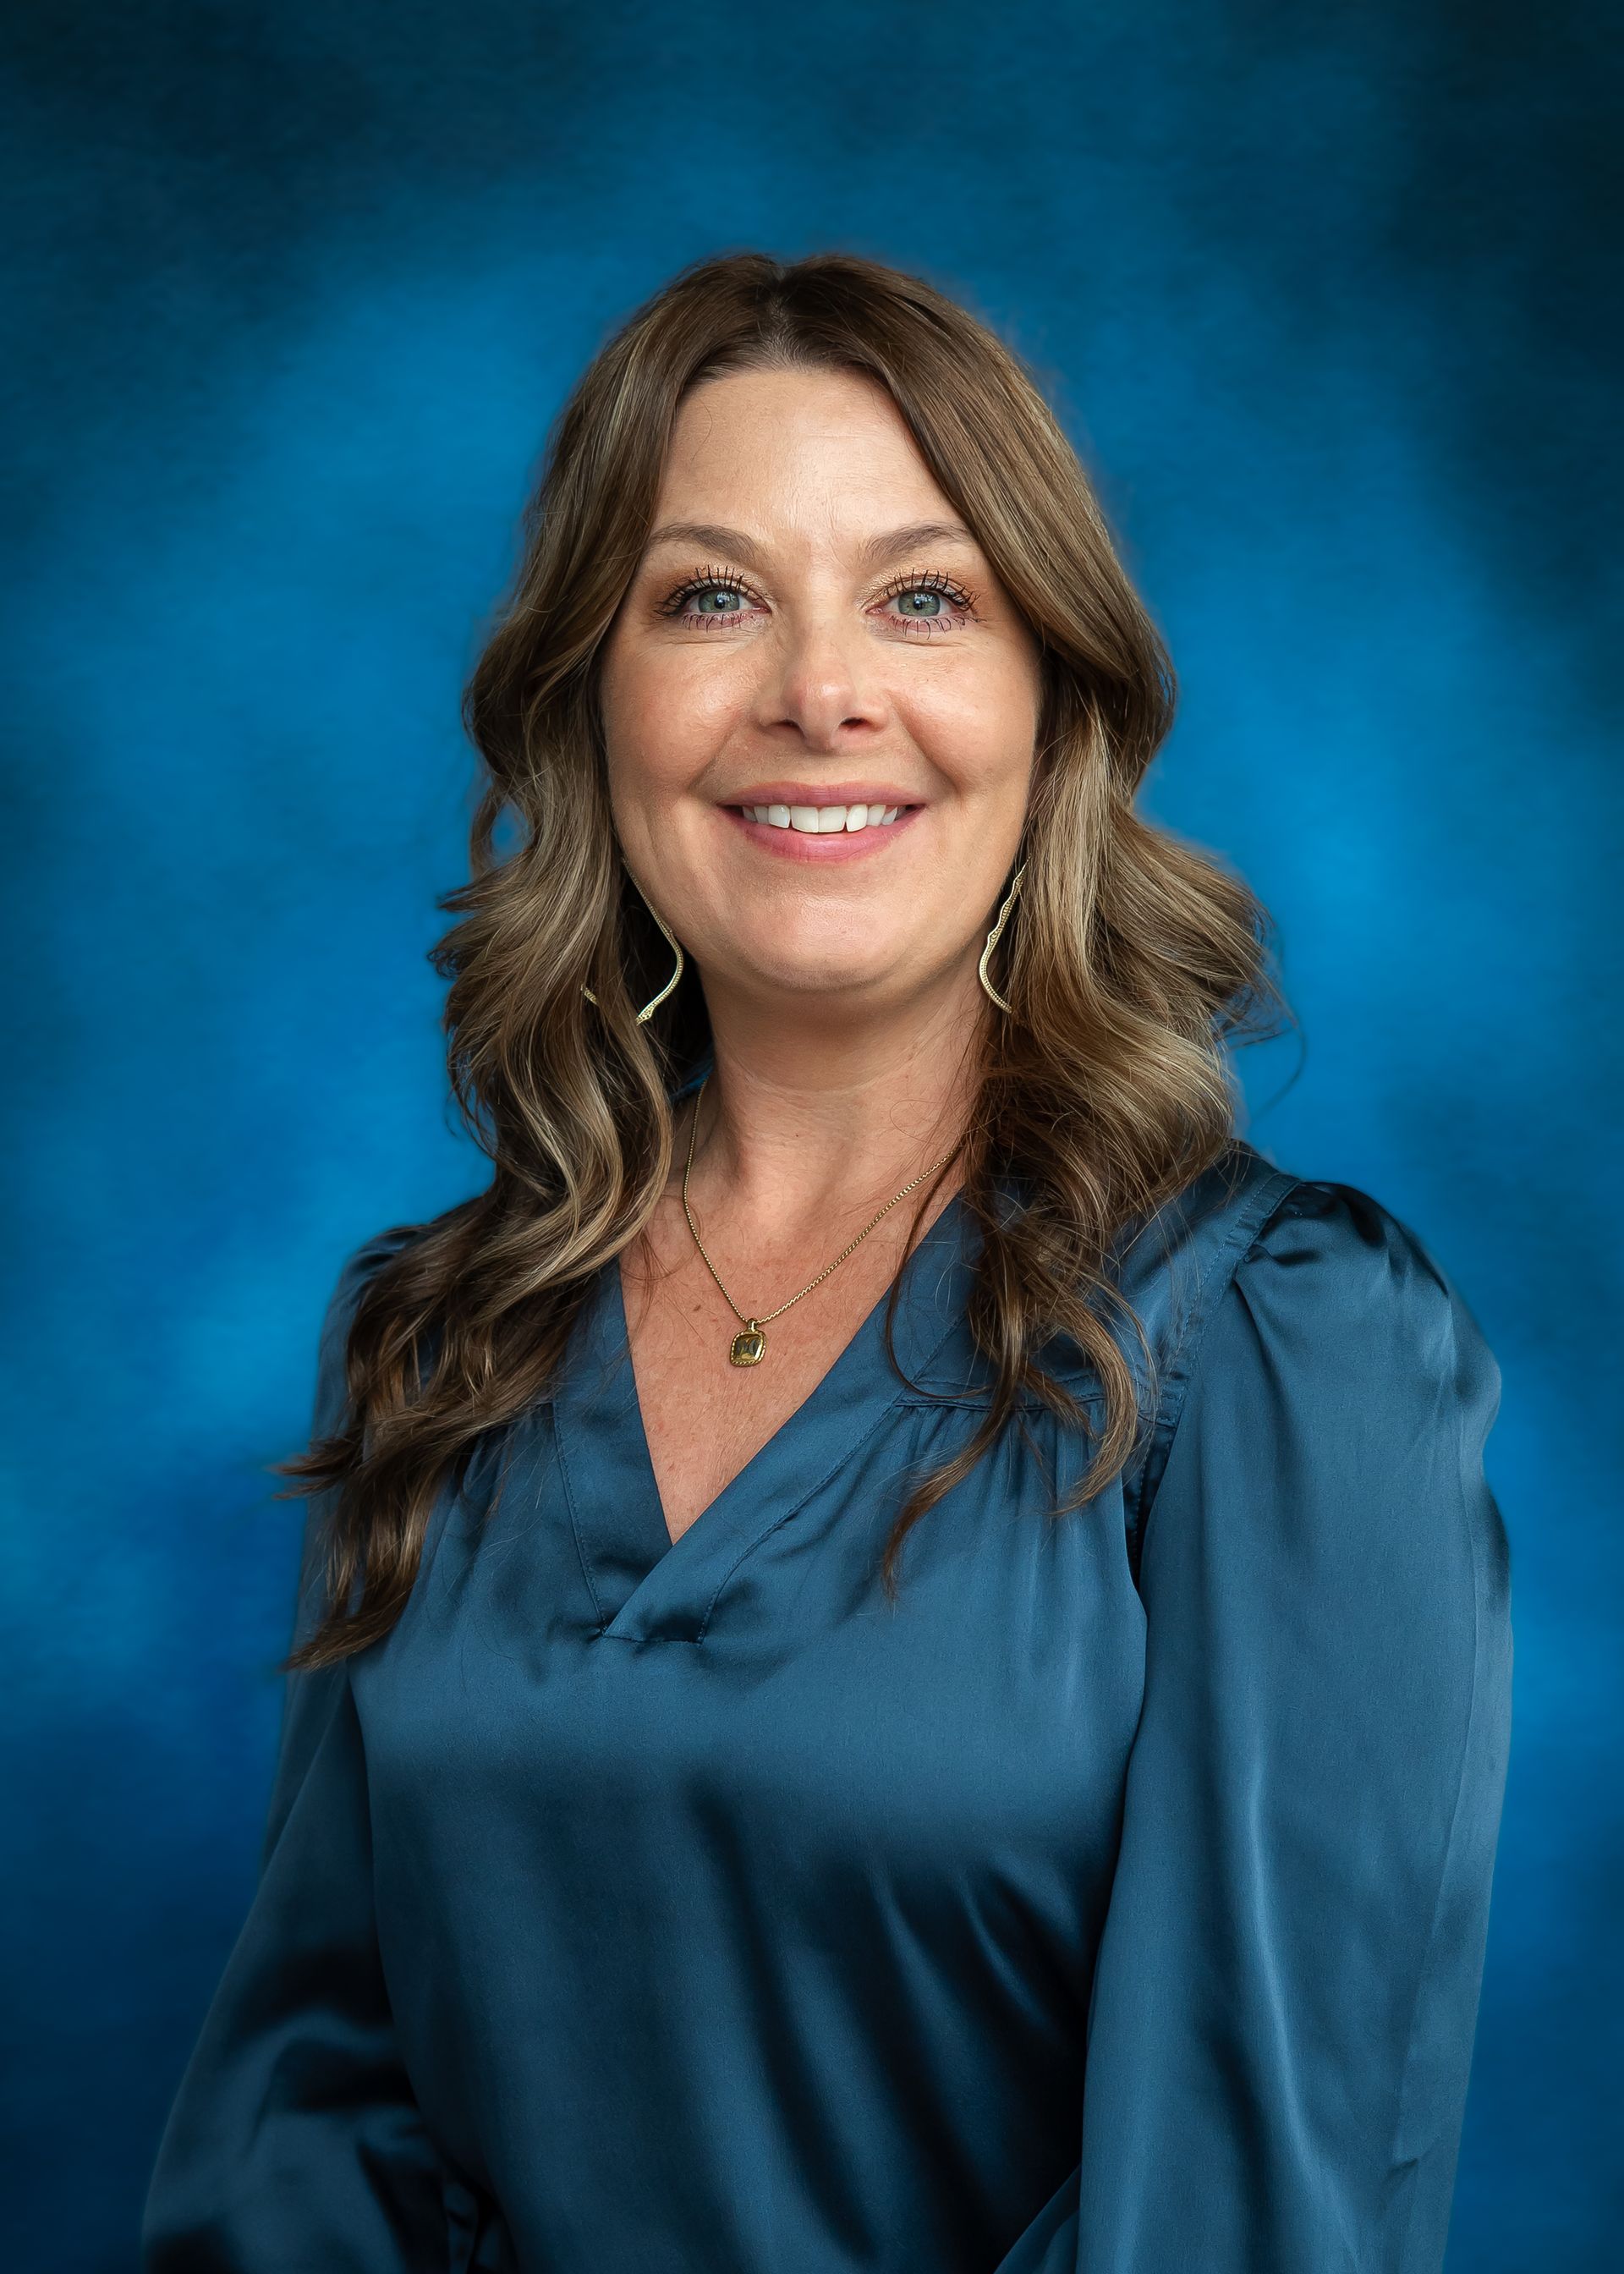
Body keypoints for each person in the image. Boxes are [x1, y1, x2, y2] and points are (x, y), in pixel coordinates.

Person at [140, 250, 1512, 2274]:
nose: (819, 691)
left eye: (923, 596)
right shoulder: (441, 1348)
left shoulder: (1284, 1349)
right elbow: (307, 2121)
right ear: (585, 697)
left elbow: (1249, 2205)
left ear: (1052, 700)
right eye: (711, 597)